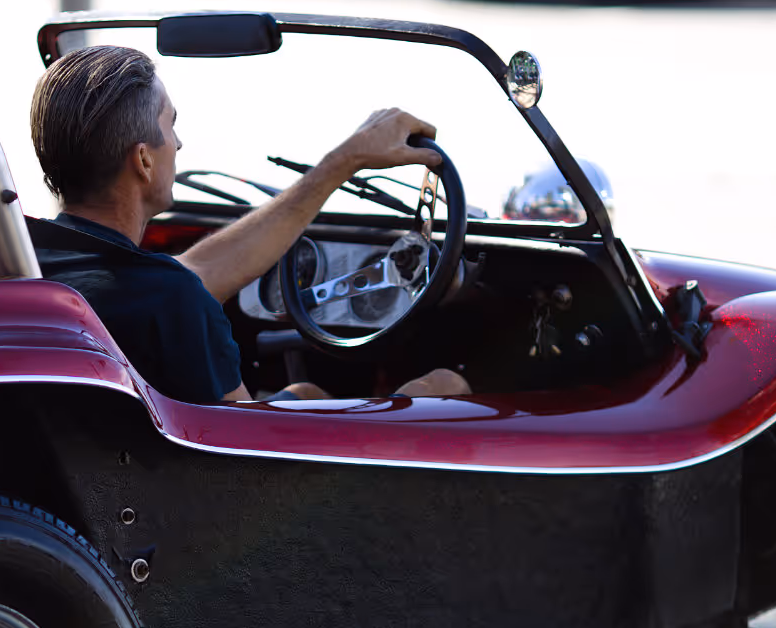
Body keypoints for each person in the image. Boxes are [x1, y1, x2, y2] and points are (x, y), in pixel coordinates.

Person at [28, 44, 471, 405]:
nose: (179, 142)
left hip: (89, 488)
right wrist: (403, 402)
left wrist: (346, 160)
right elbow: (251, 453)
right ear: (143, 160)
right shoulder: (169, 303)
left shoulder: (30, 262)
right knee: (444, 390)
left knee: (305, 392)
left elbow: (191, 275)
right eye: (172, 124)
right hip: (203, 499)